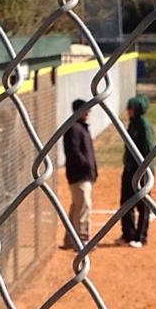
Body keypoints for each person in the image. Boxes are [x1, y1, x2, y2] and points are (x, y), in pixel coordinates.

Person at [62, 99, 98, 249]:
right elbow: (74, 153)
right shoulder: (74, 129)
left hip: (84, 174)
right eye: (85, 110)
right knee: (83, 206)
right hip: (79, 175)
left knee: (78, 206)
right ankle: (82, 240)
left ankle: (70, 239)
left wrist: (93, 169)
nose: (88, 112)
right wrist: (87, 166)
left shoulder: (81, 128)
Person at [118, 95, 153, 247]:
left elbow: (148, 149)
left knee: (142, 204)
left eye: (131, 109)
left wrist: (144, 168)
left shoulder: (143, 125)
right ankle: (128, 234)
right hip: (129, 168)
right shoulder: (132, 124)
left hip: (142, 170)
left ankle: (141, 237)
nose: (128, 111)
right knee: (125, 201)